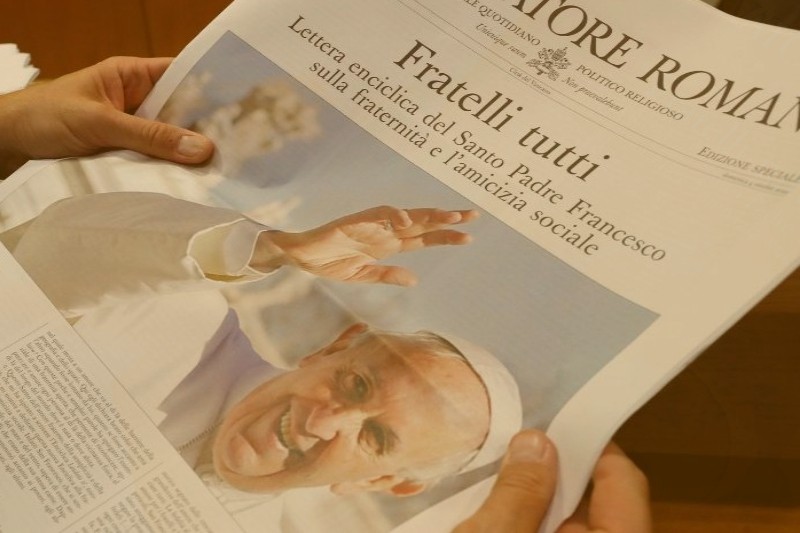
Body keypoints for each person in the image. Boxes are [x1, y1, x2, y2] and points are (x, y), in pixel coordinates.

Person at [0, 57, 652, 531]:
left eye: (376, 438)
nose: (323, 420)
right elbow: (48, 253)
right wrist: (269, 248)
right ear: (336, 347)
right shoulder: (186, 317)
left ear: (387, 482)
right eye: (357, 385)